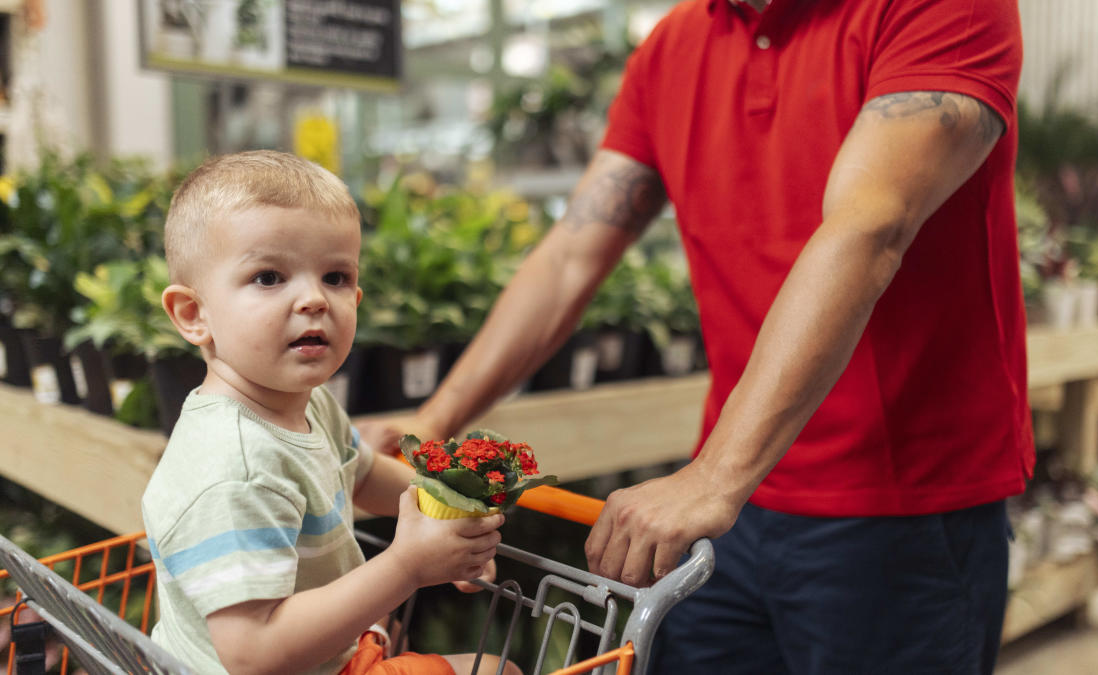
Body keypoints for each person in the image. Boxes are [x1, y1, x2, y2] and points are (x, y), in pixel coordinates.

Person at [366, 0, 1032, 671]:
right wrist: (434, 418)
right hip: (733, 509)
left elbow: (869, 227)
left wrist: (715, 476)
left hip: (904, 508)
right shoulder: (673, 47)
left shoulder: (940, 8)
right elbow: (571, 255)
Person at [142, 150, 518, 675]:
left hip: (323, 655)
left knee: (395, 627)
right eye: (270, 277)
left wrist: (447, 521)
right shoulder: (236, 468)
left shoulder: (309, 404)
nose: (314, 299)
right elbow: (252, 654)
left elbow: (363, 475)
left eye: (336, 277)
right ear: (194, 314)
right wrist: (408, 565)